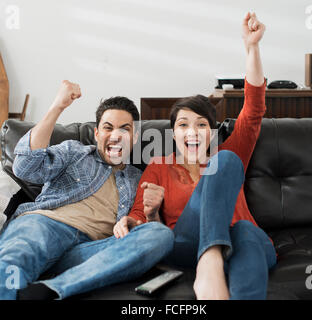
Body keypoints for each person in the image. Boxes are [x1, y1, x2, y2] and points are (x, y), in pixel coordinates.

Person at [113, 12, 277, 300]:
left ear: (212, 133)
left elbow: (252, 111)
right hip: (187, 244)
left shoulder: (227, 153)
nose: (193, 132)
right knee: (224, 167)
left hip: (241, 239)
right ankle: (209, 260)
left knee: (245, 229)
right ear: (173, 134)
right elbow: (139, 216)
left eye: (202, 125)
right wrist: (137, 219)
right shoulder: (159, 166)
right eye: (184, 125)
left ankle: (213, 266)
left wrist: (252, 48)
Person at [0, 81, 174, 300]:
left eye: (124, 129)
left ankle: (51, 289)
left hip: (91, 251)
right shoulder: (74, 151)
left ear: (135, 137)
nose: (116, 135)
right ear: (97, 133)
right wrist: (57, 107)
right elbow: (25, 166)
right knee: (11, 263)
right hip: (44, 227)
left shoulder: (138, 179)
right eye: (108, 128)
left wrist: (149, 214)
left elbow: (143, 229)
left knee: (160, 235)